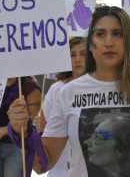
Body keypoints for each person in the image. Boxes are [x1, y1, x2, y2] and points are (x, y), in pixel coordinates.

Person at [7, 6, 130, 177]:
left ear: (128, 41)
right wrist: (22, 134)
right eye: (100, 34)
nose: (109, 42)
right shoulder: (67, 93)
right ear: (90, 44)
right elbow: (42, 165)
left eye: (118, 34)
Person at [33, 37, 86, 177]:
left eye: (83, 54)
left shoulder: (98, 87)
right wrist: (39, 126)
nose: (78, 59)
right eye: (72, 55)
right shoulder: (56, 89)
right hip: (60, 169)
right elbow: (42, 124)